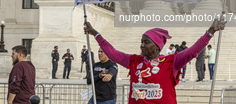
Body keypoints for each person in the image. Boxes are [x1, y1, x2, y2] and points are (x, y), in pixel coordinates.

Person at [84, 18, 226, 103]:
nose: (142, 45)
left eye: (146, 42)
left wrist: (210, 32)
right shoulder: (134, 61)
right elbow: (113, 53)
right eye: (141, 42)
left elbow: (193, 51)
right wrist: (95, 33)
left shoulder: (172, 61)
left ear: (157, 46)